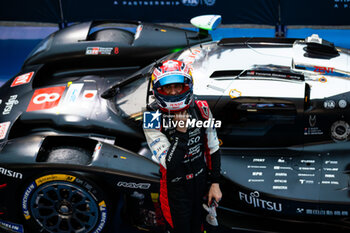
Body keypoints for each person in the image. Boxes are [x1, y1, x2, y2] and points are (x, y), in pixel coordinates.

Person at [143, 60, 222, 233]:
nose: (173, 92)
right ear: (158, 90)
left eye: (177, 87)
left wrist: (215, 182)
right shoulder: (152, 117)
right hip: (175, 189)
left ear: (186, 86)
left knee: (201, 227)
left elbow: (213, 147)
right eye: (167, 88)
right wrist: (181, 131)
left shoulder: (201, 108)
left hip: (200, 183)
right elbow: (170, 165)